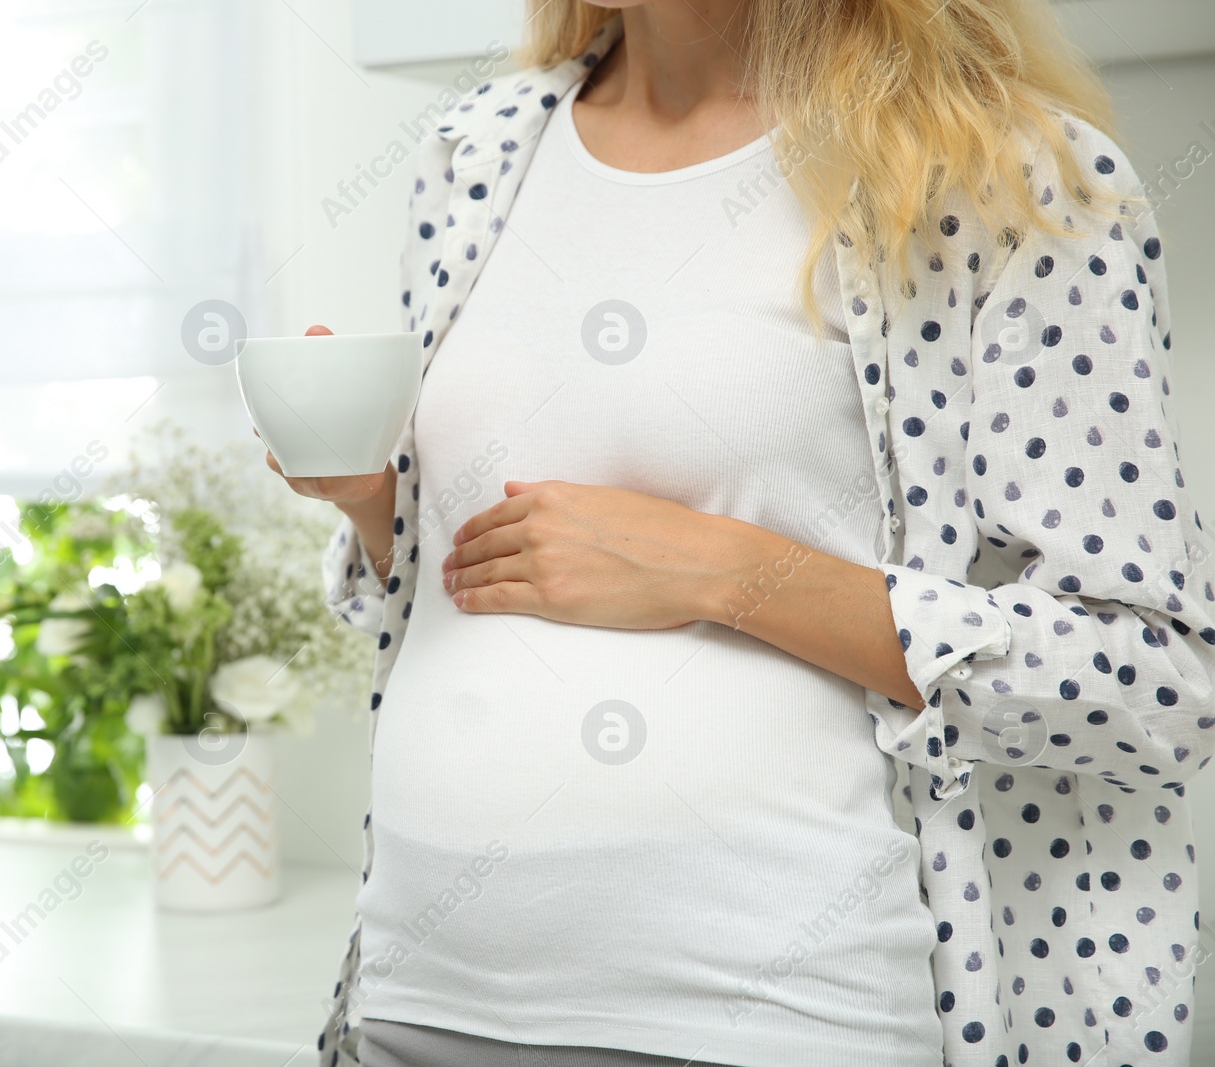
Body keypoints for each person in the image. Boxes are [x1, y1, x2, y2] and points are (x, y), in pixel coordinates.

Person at [263, 2, 1214, 1064]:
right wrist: (370, 503)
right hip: (417, 996)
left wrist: (726, 570)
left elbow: (1152, 681)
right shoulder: (478, 148)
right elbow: (465, 581)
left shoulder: (1000, 168)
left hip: (775, 1014)